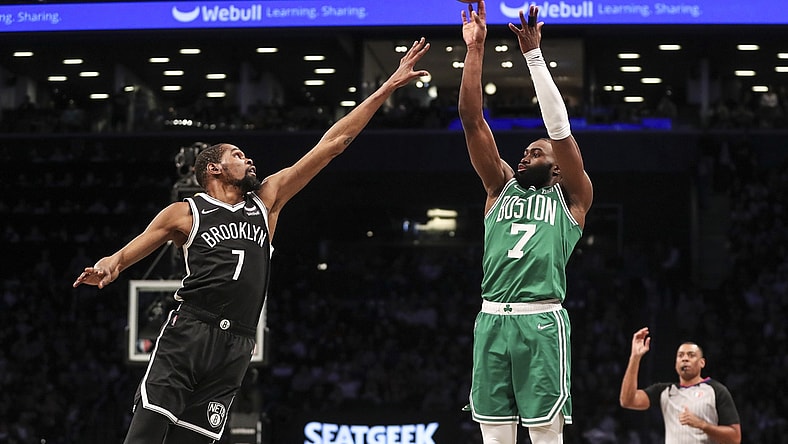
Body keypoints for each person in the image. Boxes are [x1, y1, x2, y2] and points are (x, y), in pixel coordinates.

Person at [72, 38, 431, 444]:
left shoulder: (266, 202)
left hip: (238, 343)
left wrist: (386, 87)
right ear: (213, 168)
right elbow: (126, 254)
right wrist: (109, 265)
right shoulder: (187, 212)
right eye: (239, 154)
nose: (250, 160)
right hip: (190, 331)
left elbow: (331, 145)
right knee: (146, 435)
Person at [458, 2, 593, 443]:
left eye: (536, 153)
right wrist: (475, 47)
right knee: (493, 436)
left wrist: (533, 57)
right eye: (525, 151)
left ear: (557, 168)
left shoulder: (572, 199)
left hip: (541, 320)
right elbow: (471, 119)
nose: (524, 155)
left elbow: (561, 132)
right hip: (492, 317)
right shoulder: (499, 186)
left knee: (545, 436)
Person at [619, 327, 742, 444]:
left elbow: (735, 438)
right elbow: (627, 401)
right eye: (680, 355)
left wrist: (702, 425)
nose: (685, 359)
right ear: (675, 363)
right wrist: (635, 357)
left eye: (691, 355)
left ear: (702, 363)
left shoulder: (716, 390)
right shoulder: (664, 391)